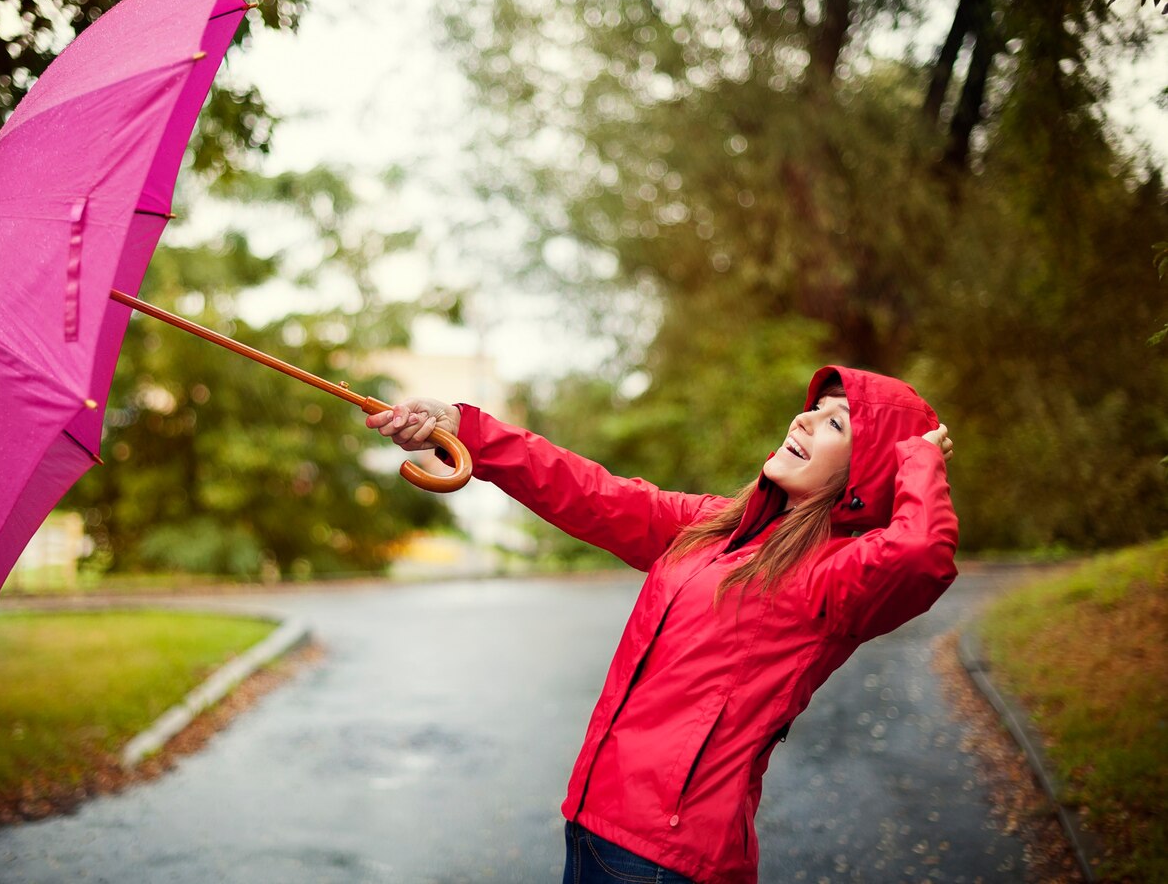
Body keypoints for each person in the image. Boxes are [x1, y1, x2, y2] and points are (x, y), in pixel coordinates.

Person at [365, 365, 957, 884]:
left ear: (868, 471)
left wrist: (918, 457)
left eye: (836, 424)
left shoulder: (836, 574)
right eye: (812, 410)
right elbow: (591, 491)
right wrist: (466, 429)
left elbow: (921, 555)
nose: (803, 422)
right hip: (595, 822)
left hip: (670, 858)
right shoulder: (713, 527)